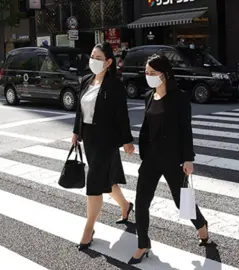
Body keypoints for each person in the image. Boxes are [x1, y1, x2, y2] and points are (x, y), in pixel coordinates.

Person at [130, 54, 209, 264]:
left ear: (164, 74)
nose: (148, 76)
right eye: (146, 73)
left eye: (152, 73)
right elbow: (147, 129)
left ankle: (201, 225)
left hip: (173, 158)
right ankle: (142, 243)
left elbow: (186, 130)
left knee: (181, 201)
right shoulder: (149, 96)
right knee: (141, 201)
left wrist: (188, 159)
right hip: (151, 158)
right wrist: (143, 152)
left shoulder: (179, 98)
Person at [71, 42, 135, 251]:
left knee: (95, 181)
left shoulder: (114, 85)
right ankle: (125, 206)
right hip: (89, 137)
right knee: (106, 179)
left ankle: (88, 228)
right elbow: (80, 110)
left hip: (106, 139)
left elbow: (122, 115)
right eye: (92, 56)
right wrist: (76, 131)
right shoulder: (86, 81)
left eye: (98, 58)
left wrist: (127, 140)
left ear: (108, 62)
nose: (93, 61)